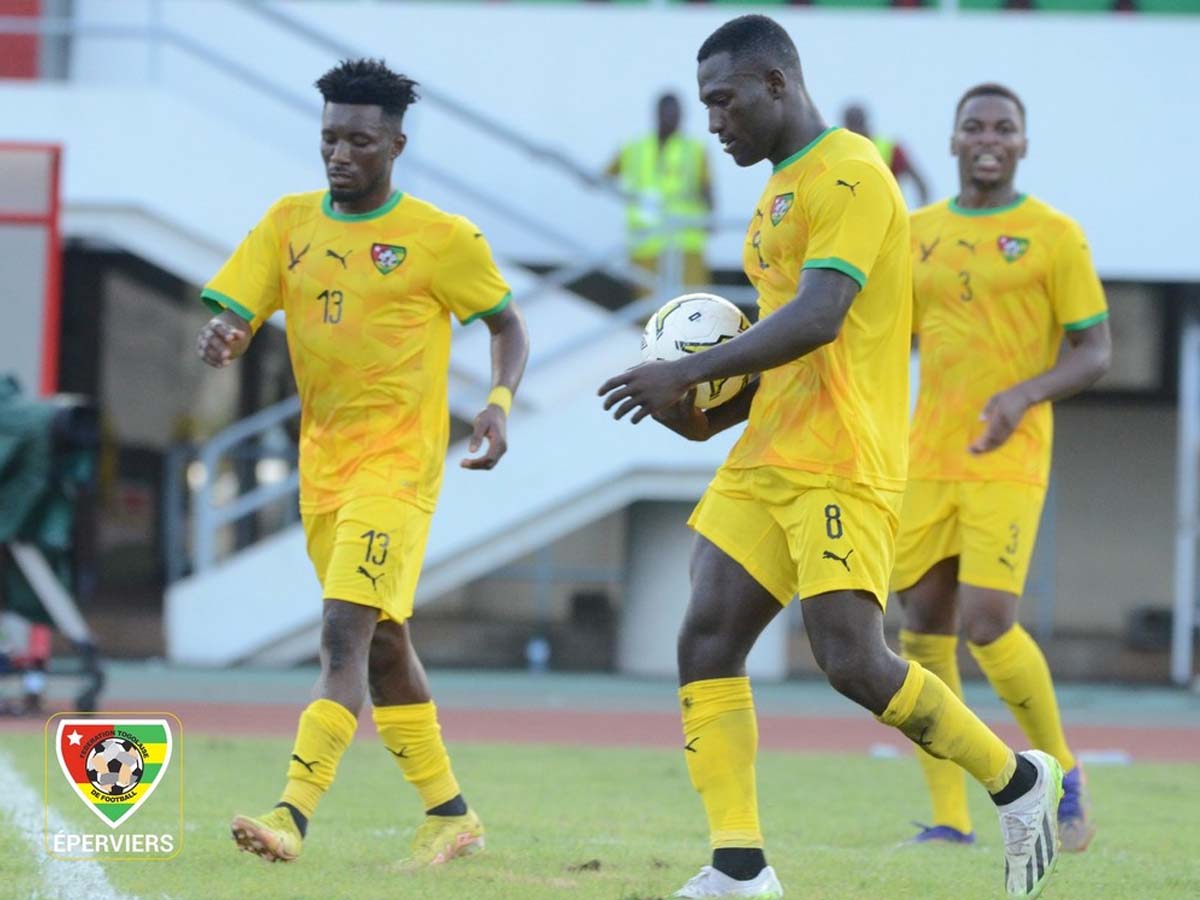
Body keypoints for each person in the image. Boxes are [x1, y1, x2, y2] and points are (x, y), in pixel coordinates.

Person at [598, 17, 1063, 899]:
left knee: (851, 659)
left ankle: (1017, 780)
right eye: (706, 105)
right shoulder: (777, 190)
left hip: (843, 460)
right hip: (772, 453)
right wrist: (697, 410)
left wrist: (686, 369)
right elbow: (781, 347)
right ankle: (739, 865)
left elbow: (820, 317)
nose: (713, 123)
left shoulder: (850, 172)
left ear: (776, 83)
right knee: (705, 637)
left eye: (724, 101)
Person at [195, 58, 529, 867]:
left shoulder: (442, 240)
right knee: (382, 646)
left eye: (359, 140)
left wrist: (499, 403)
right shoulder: (288, 225)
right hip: (323, 471)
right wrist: (227, 337)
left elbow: (507, 326)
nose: (340, 154)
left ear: (396, 144)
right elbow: (235, 314)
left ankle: (291, 817)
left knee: (342, 638)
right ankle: (451, 815)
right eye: (330, 138)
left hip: (398, 470)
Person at [894, 83, 1110, 853]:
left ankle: (1065, 771)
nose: (989, 137)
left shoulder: (1053, 235)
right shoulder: (915, 232)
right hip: (926, 458)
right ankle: (951, 818)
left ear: (1023, 143)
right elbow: (888, 336)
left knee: (987, 624)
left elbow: (1094, 349)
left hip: (1009, 456)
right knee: (922, 628)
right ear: (952, 140)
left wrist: (1023, 394)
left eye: (1004, 128)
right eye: (974, 126)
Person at [605, 91, 714, 295]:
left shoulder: (695, 149)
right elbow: (605, 177)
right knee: (648, 309)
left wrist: (710, 220)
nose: (674, 119)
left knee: (691, 304)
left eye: (677, 114)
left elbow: (707, 189)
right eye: (669, 113)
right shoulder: (634, 147)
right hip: (646, 241)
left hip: (685, 240)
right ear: (657, 114)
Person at [842, 102, 931, 207]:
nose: (856, 129)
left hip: (888, 216)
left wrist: (918, 217)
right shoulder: (842, 152)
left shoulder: (891, 149)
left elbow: (921, 184)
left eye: (857, 124)